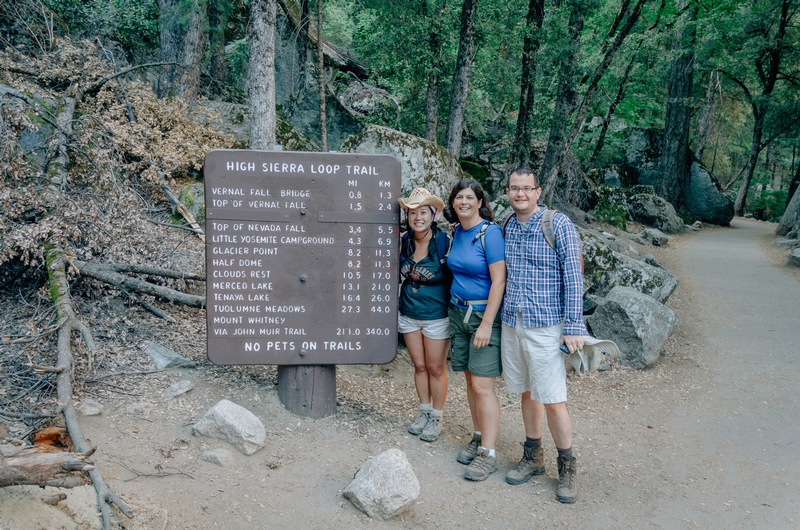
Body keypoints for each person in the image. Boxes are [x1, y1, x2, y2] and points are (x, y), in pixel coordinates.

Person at [500, 167, 585, 503]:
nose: (520, 194)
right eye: (514, 188)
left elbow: (574, 275)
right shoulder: (507, 224)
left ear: (537, 191)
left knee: (552, 398)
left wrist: (574, 325)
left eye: (526, 188)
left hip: (546, 325)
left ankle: (567, 465)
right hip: (513, 321)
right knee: (525, 392)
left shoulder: (557, 223)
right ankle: (533, 455)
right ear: (508, 192)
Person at [444, 179, 506, 481]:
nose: (464, 202)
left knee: (483, 386)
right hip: (458, 313)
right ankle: (479, 435)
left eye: (469, 197)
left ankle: (488, 453)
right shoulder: (457, 232)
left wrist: (486, 324)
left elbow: (499, 281)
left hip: (482, 316)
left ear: (480, 202)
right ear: (453, 203)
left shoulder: (490, 234)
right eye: (459, 198)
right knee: (469, 382)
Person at [398, 188, 452, 443]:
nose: (417, 217)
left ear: (433, 215)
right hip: (408, 312)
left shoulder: (444, 243)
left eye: (423, 212)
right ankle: (424, 411)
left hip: (436, 314)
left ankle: (437, 417)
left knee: (435, 367)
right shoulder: (404, 240)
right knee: (419, 366)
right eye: (412, 212)